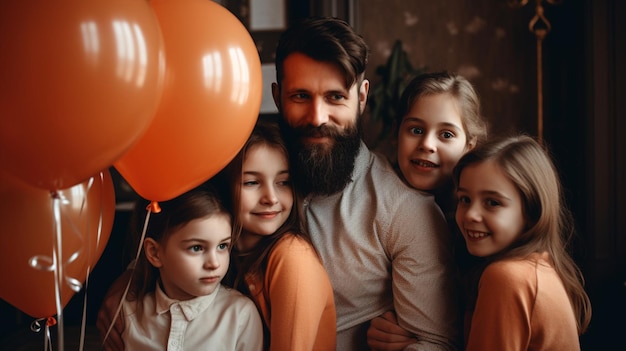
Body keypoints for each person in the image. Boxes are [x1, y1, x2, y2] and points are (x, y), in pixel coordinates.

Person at [272, 17, 459, 350]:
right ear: (277, 97)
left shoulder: (405, 212)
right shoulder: (249, 185)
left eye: (334, 97)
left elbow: (434, 345)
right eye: (301, 96)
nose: (317, 117)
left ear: (361, 96)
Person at [367, 71, 488, 350]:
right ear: (397, 132)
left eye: (446, 134)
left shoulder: (478, 220)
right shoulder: (384, 202)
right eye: (416, 130)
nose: (427, 145)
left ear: (469, 146)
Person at [453, 135, 592, 350]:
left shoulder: (507, 277)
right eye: (465, 199)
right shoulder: (537, 268)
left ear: (531, 212)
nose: (470, 214)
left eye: (492, 202)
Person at [213, 118, 336, 350]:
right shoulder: (222, 257)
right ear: (224, 187)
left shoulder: (292, 257)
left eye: (283, 182)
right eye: (251, 182)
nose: (271, 197)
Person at [97, 186, 264, 350]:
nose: (214, 263)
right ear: (155, 253)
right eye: (197, 248)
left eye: (222, 246)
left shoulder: (240, 315)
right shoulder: (127, 313)